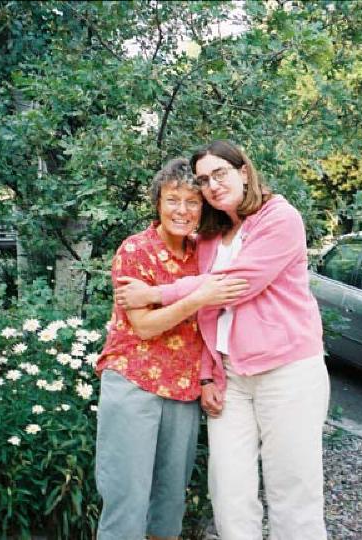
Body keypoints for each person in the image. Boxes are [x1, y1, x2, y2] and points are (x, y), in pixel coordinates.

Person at [115, 140, 331, 540]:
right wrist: (208, 374)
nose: (212, 186)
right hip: (230, 378)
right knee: (228, 493)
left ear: (243, 172)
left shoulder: (279, 218)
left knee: (292, 492)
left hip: (287, 371)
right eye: (204, 179)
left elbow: (234, 286)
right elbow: (207, 315)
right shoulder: (212, 236)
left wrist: (156, 293)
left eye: (220, 174)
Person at [94, 157, 248, 540]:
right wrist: (199, 296)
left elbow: (214, 324)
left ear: (203, 208)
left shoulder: (205, 252)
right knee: (126, 501)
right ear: (158, 203)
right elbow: (144, 326)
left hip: (182, 388)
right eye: (172, 200)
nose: (182, 210)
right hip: (133, 384)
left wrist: (210, 376)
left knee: (168, 507)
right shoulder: (135, 251)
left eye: (192, 201)